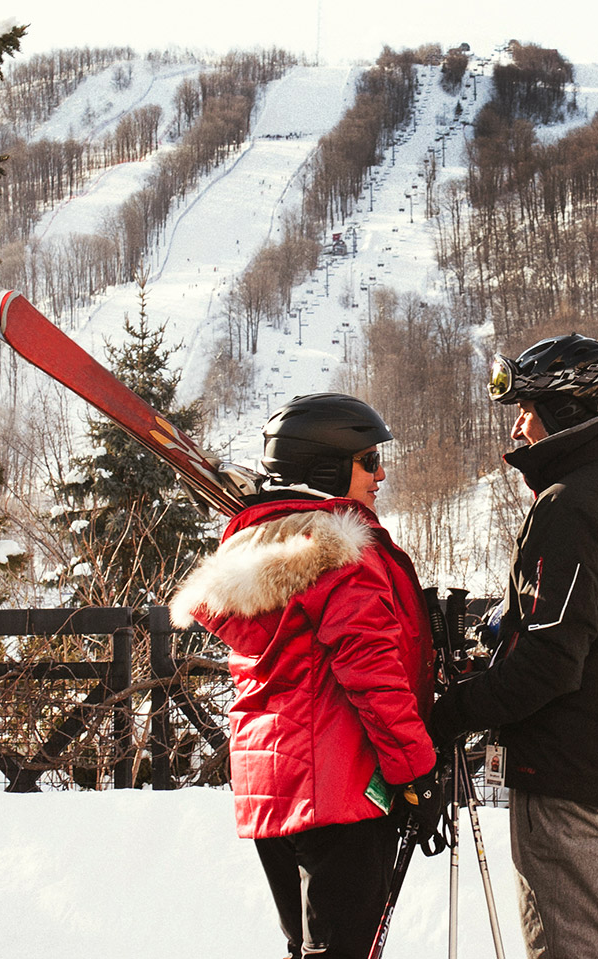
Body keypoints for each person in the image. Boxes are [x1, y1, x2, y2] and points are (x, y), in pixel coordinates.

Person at [429, 334, 598, 959]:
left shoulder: (572, 505)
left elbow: (550, 662)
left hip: (568, 778)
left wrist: (450, 714)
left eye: (528, 410)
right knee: (596, 942)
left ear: (565, 413)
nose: (519, 426)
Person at [170, 392, 442, 959]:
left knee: (309, 949)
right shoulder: (339, 554)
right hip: (342, 786)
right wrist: (415, 770)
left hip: (273, 787)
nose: (380, 473)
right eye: (368, 461)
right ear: (327, 467)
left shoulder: (257, 546)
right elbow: (371, 671)